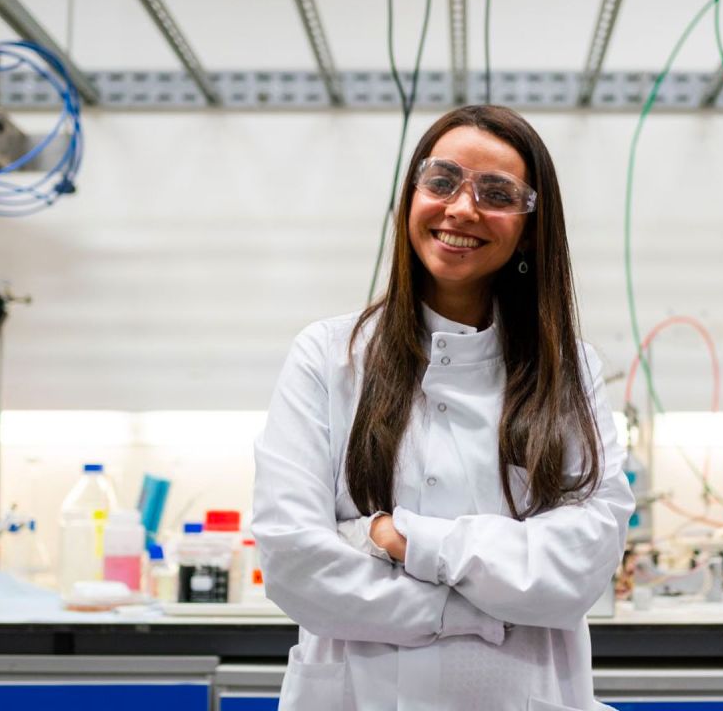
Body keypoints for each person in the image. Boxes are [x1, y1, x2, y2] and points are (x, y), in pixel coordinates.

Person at [252, 105, 634, 711]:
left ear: (531, 228)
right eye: (442, 181)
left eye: (496, 192)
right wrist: (474, 607)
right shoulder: (328, 358)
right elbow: (297, 566)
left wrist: (397, 537)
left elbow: (577, 573)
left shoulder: (570, 372)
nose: (462, 208)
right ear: (411, 198)